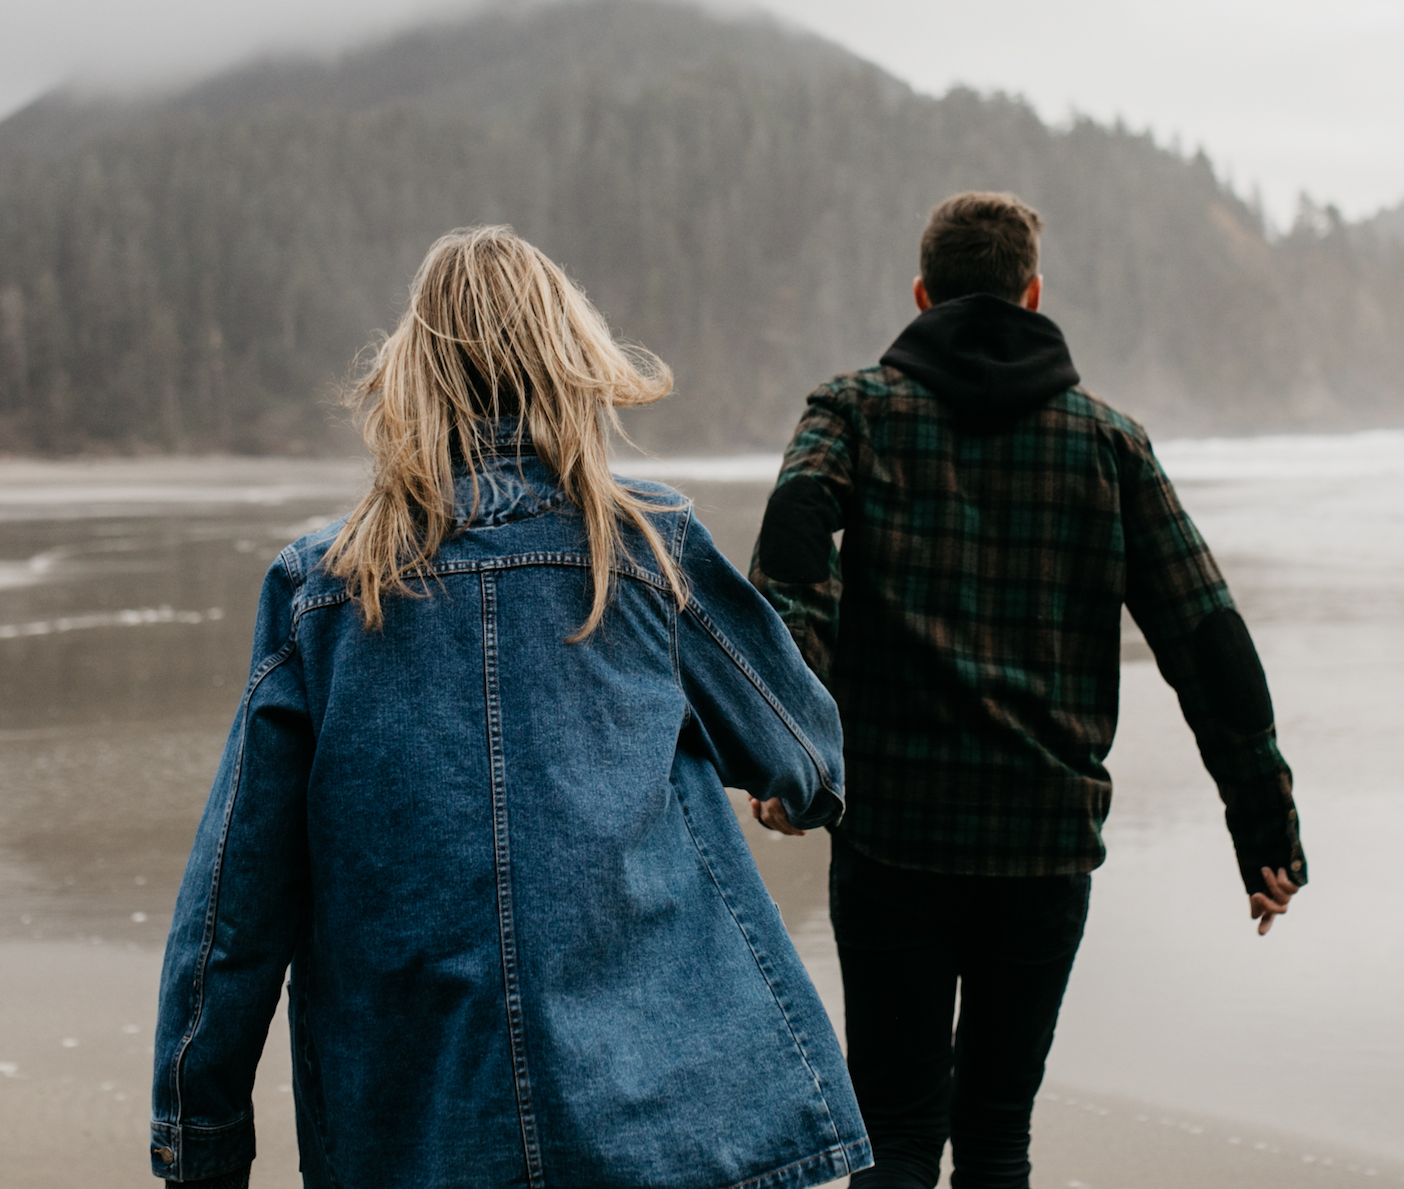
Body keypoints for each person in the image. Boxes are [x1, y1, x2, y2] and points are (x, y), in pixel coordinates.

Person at [148, 225, 871, 1189]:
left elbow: (233, 906)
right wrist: (799, 796)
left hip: (411, 1134)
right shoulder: (648, 549)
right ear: (572, 362)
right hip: (660, 1127)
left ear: (411, 374)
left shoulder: (322, 587)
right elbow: (803, 747)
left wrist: (201, 1139)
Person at [748, 191, 1306, 1189]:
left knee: (898, 1131)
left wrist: (792, 747)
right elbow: (1207, 637)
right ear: (1032, 292)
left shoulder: (855, 410)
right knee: (997, 1135)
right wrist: (1263, 824)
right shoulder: (1108, 442)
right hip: (1043, 843)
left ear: (922, 294)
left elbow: (790, 549)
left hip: (893, 837)